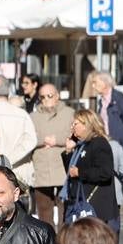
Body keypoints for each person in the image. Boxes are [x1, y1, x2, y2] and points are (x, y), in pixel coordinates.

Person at [63, 108, 120, 232]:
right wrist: (68, 151)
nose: (72, 127)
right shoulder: (81, 145)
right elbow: (70, 172)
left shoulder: (99, 143)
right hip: (81, 203)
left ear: (86, 124)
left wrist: (80, 173)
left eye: (75, 124)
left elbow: (105, 173)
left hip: (96, 206)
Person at [29, 83, 74, 226]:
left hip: (63, 168)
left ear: (57, 96)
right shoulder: (32, 117)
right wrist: (43, 140)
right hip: (41, 169)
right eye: (42, 96)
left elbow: (75, 134)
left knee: (65, 211)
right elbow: (27, 138)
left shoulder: (69, 113)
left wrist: (57, 140)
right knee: (44, 212)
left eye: (50, 95)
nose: (46, 99)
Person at [89, 70, 123, 151]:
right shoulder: (101, 101)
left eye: (95, 82)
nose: (93, 86)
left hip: (119, 144)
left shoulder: (119, 98)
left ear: (104, 83)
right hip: (106, 142)